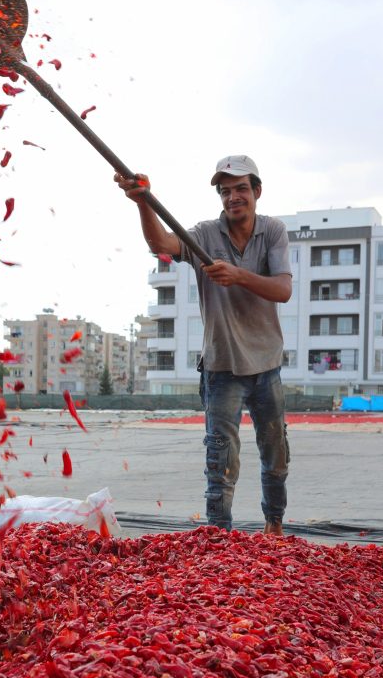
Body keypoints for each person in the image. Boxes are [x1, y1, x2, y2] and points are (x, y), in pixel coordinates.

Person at [116, 154, 292, 536]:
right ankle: (218, 537)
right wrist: (144, 202)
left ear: (257, 192)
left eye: (241, 189)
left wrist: (238, 275)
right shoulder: (206, 235)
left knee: (275, 454)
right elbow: (160, 242)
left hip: (266, 366)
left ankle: (273, 526)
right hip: (222, 367)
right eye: (225, 191)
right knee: (220, 460)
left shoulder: (273, 232)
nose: (233, 197)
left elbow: (283, 289)